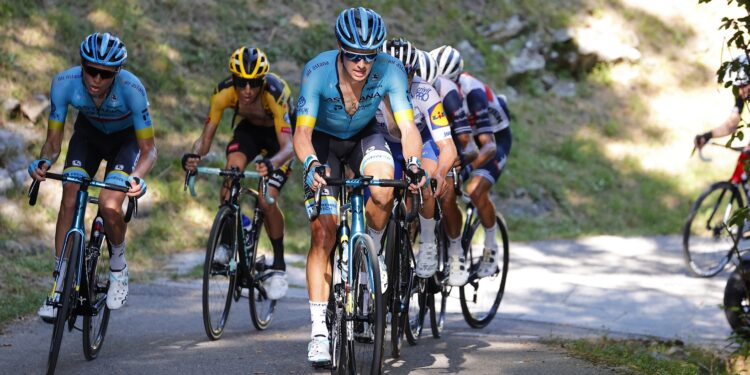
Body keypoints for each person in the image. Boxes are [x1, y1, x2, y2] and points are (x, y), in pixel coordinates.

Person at [293, 7, 425, 366]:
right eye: (353, 54)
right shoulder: (317, 71)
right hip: (322, 142)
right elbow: (302, 133)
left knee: (384, 189)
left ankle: (371, 255)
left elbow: (408, 127)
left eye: (369, 56)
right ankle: (319, 330)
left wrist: (413, 165)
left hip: (365, 135)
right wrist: (310, 164)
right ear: (339, 47)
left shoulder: (391, 69)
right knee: (324, 232)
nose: (362, 64)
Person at [28, 32, 156, 320]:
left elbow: (149, 150)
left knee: (110, 205)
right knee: (70, 193)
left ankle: (119, 266)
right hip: (87, 136)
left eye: (105, 74)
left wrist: (136, 177)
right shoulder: (63, 84)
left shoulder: (133, 90)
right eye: (91, 70)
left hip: (126, 142)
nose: (96, 79)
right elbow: (53, 141)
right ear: (81, 65)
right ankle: (58, 287)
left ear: (117, 72)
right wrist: (44, 161)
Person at [182, 46, 295, 300]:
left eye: (253, 83)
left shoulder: (276, 93)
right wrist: (194, 156)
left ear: (262, 82)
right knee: (231, 173)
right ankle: (230, 235)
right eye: (241, 82)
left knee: (267, 200)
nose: (247, 90)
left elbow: (289, 147)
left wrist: (273, 163)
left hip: (281, 140)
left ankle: (279, 265)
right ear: (233, 80)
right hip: (249, 132)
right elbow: (205, 140)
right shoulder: (223, 93)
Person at [431, 45, 512, 284]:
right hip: (465, 136)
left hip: (493, 139)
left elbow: (488, 146)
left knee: (475, 189)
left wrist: (464, 171)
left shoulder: (473, 93)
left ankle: (490, 248)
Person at [377, 39, 458, 278]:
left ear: (415, 71)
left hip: (422, 142)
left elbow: (447, 145)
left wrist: (441, 174)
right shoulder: (369, 88)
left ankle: (427, 243)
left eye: (408, 72)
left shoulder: (425, 92)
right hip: (385, 143)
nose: (402, 79)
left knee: (427, 182)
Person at [695, 55, 750, 150]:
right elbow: (731, 125)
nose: (741, 92)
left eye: (744, 85)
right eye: (737, 87)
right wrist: (707, 136)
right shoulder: (741, 93)